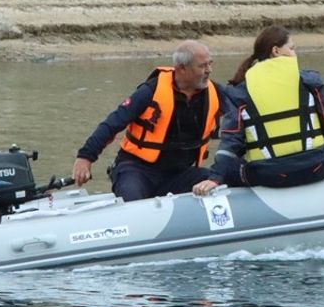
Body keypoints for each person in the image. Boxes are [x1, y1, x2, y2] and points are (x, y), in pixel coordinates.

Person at [192, 26, 324, 196]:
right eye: (292, 48)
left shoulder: (240, 92)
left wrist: (216, 178)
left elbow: (231, 142)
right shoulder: (310, 82)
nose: (295, 53)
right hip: (319, 168)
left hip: (271, 176)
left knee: (234, 167)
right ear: (276, 51)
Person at [73, 40, 227, 201]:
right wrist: (85, 157)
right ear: (182, 68)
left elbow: (243, 111)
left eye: (210, 64)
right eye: (202, 66)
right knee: (132, 197)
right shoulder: (150, 91)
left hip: (181, 174)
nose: (209, 70)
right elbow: (113, 123)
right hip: (137, 171)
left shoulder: (216, 93)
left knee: (223, 179)